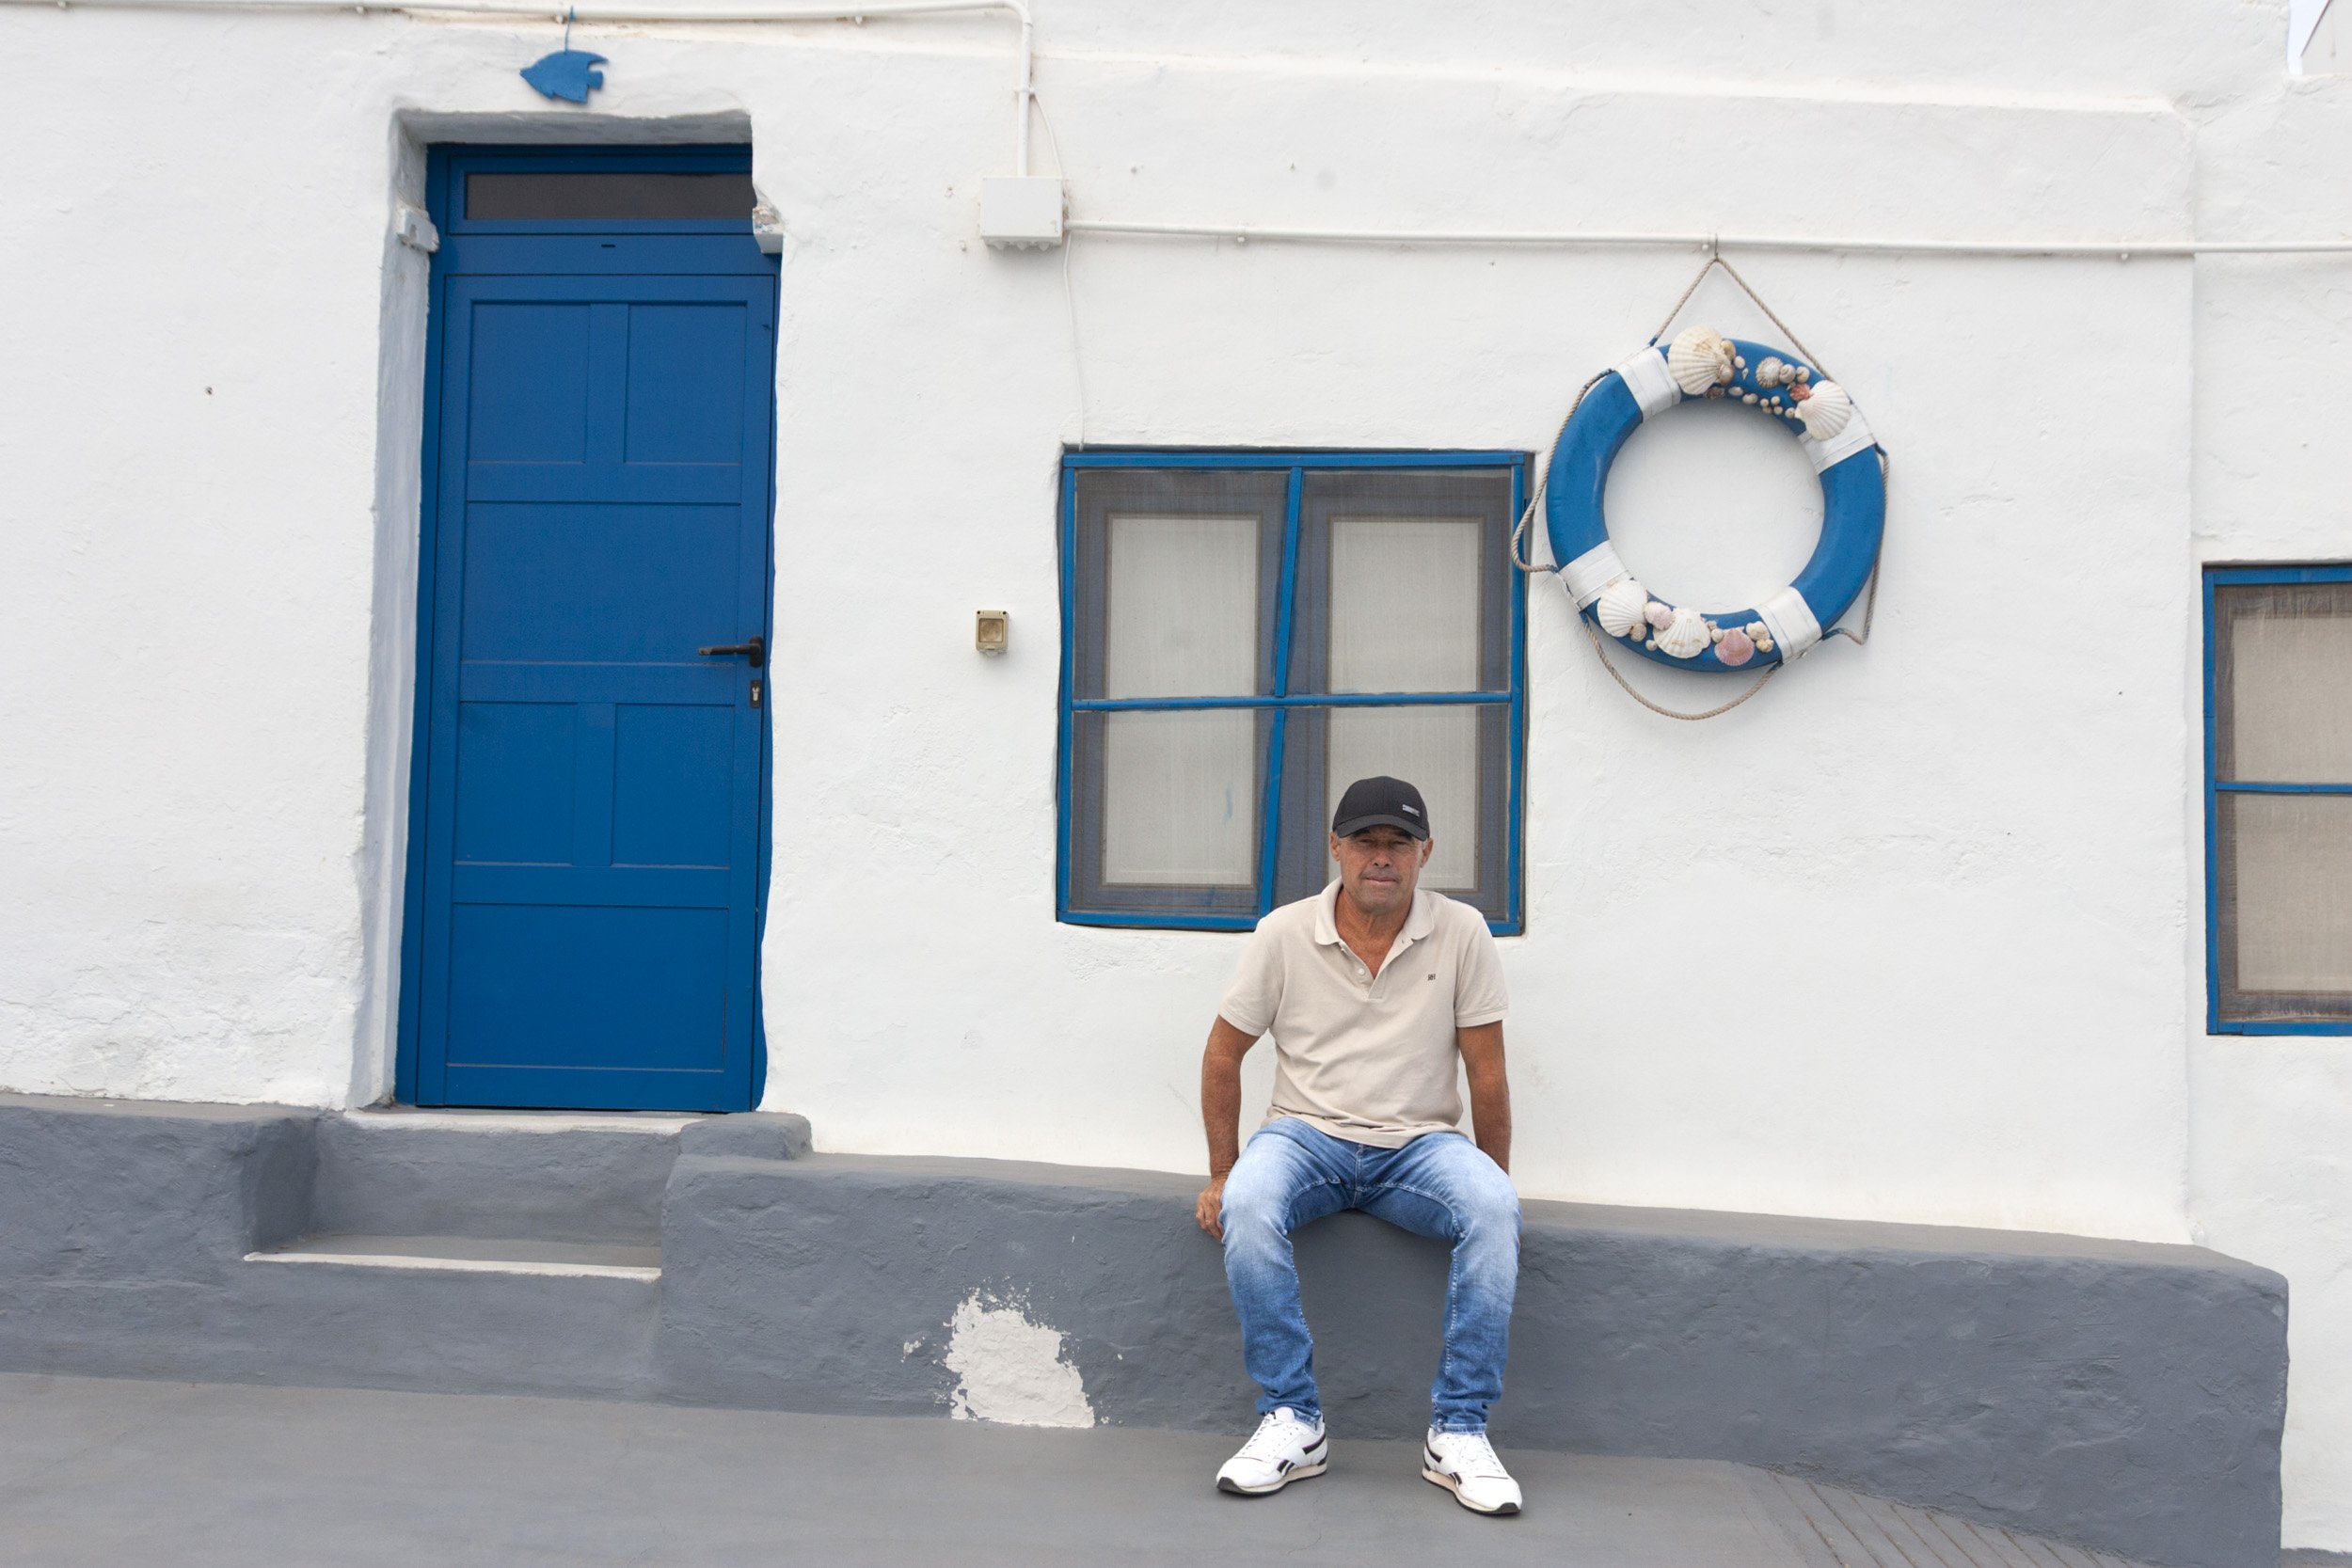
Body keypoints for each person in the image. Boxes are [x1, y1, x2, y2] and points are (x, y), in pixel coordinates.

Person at [1194, 775, 1522, 1515]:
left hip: (1419, 1146)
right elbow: (1222, 1053)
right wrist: (1220, 1171)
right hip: (1305, 1135)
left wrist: (1493, 1180)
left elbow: (1487, 1072)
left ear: (1424, 853)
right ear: (1335, 848)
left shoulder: (1462, 931)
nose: (1382, 857)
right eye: (1366, 841)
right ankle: (1293, 1417)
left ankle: (1459, 1430)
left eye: (1398, 844)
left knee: (1494, 1207)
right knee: (1248, 1200)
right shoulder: (1283, 933)